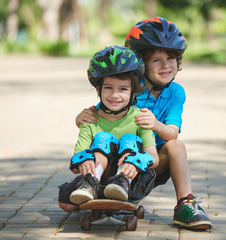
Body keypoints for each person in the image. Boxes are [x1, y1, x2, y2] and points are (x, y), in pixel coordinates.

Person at [76, 17, 212, 230]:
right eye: (157, 60)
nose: (166, 65)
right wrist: (80, 118)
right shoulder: (129, 87)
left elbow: (172, 133)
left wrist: (155, 124)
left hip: (148, 165)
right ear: (140, 63)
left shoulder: (176, 93)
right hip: (114, 161)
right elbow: (101, 116)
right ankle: (97, 186)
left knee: (176, 145)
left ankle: (186, 204)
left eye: (171, 58)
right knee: (68, 203)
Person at [58, 46, 159, 213]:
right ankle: (91, 184)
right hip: (99, 174)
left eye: (123, 89)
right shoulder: (90, 118)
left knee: (129, 139)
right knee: (66, 204)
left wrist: (135, 162)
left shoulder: (140, 118)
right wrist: (84, 162)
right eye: (108, 88)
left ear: (134, 93)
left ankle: (121, 182)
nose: (115, 95)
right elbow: (74, 165)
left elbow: (154, 159)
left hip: (132, 180)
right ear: (98, 90)